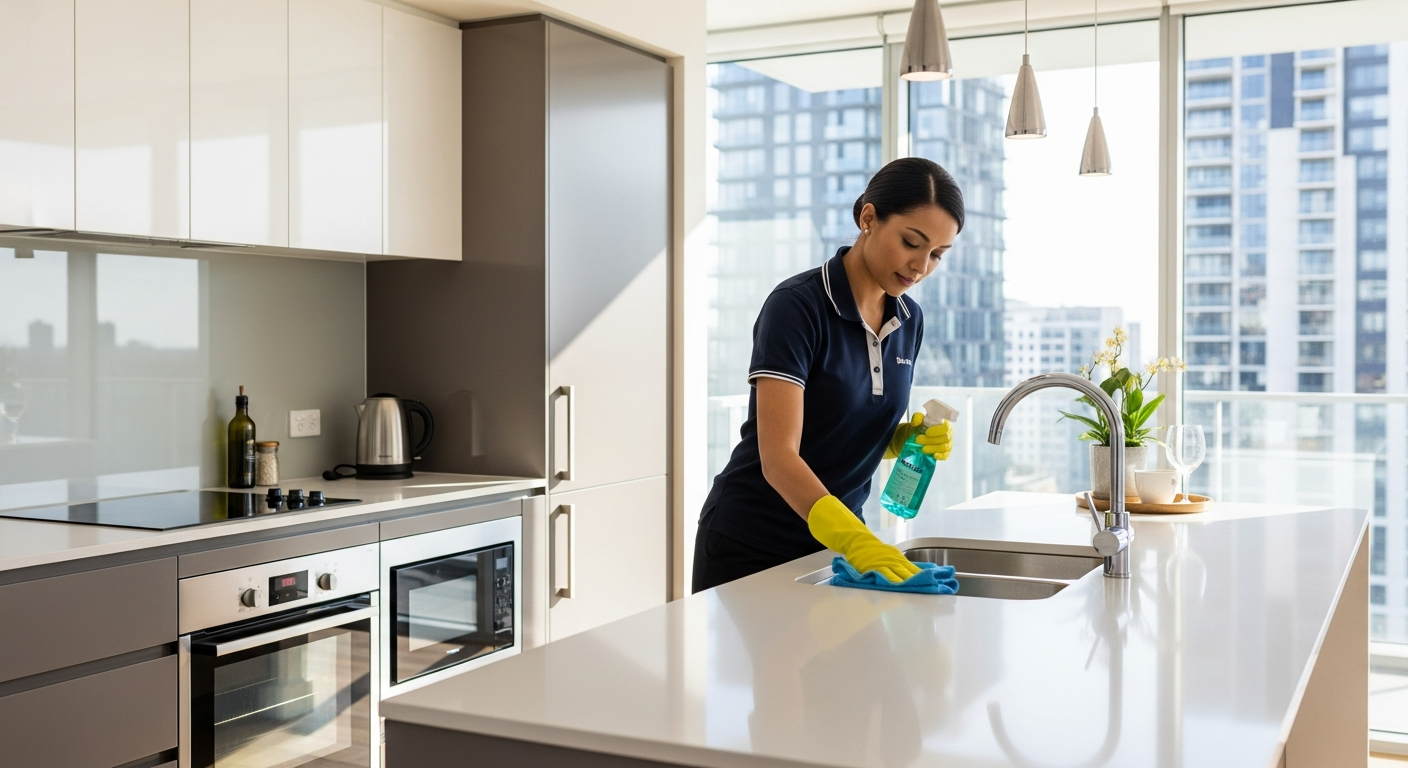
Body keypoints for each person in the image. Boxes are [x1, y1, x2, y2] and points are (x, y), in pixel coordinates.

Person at [692, 157, 964, 594]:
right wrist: (856, 539)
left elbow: (844, 424)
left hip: (830, 549)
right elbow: (779, 457)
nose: (921, 266)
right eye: (912, 242)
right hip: (752, 542)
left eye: (937, 255)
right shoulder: (796, 307)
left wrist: (900, 441)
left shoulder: (909, 318)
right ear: (868, 218)